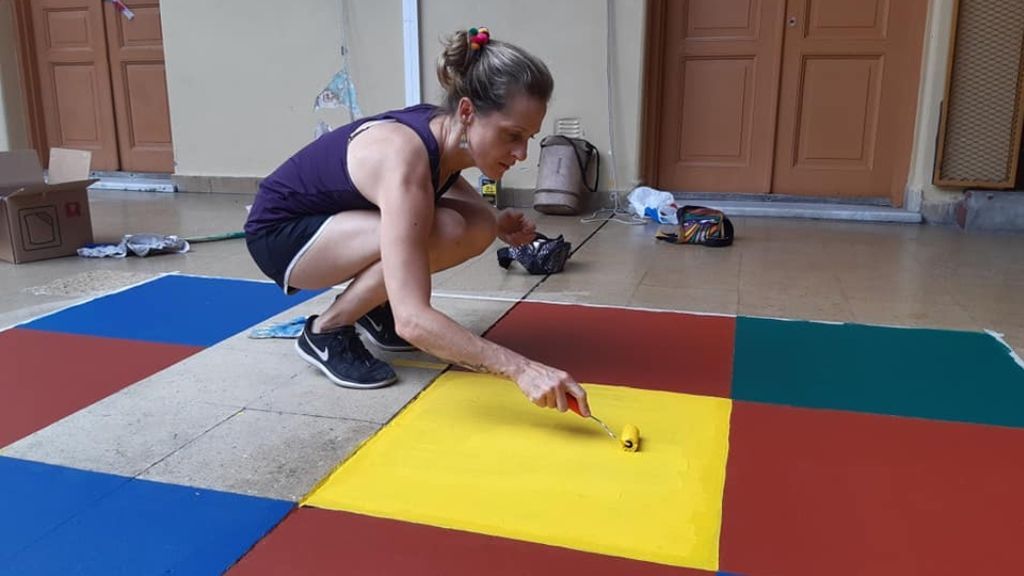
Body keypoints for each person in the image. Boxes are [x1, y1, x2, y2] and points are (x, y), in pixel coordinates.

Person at [244, 27, 590, 417]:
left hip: (334, 224)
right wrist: (522, 369)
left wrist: (495, 221)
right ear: (466, 112)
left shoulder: (441, 131)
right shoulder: (404, 157)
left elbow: (449, 184)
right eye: (511, 135)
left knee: (473, 225)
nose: (522, 154)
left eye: (528, 137)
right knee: (435, 227)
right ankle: (327, 330)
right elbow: (412, 320)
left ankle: (373, 308)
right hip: (281, 235)